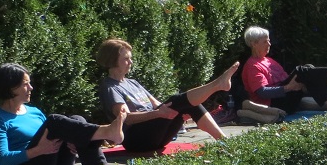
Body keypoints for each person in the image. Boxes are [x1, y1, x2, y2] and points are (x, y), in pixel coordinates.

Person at [0, 63, 126, 165]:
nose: (31, 88)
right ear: (11, 88)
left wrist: (72, 142)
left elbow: (53, 138)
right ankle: (106, 131)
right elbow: (2, 161)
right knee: (54, 121)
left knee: (77, 119)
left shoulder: (34, 112)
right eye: (25, 84)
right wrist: (38, 150)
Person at [95, 38, 238, 152]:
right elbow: (126, 118)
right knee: (177, 100)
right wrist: (158, 114)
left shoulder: (133, 83)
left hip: (155, 135)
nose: (130, 62)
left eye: (130, 58)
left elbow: (158, 105)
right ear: (112, 61)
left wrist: (178, 113)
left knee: (189, 105)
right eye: (126, 59)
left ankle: (224, 142)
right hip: (136, 140)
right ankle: (216, 85)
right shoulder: (110, 87)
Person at [240, 26, 327, 114]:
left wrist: (302, 84)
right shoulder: (252, 66)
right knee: (302, 70)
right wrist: (288, 88)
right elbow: (262, 92)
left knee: (307, 70)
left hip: (287, 96)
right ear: (254, 44)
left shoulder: (270, 61)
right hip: (274, 104)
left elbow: (286, 79)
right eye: (265, 41)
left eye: (269, 40)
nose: (269, 44)